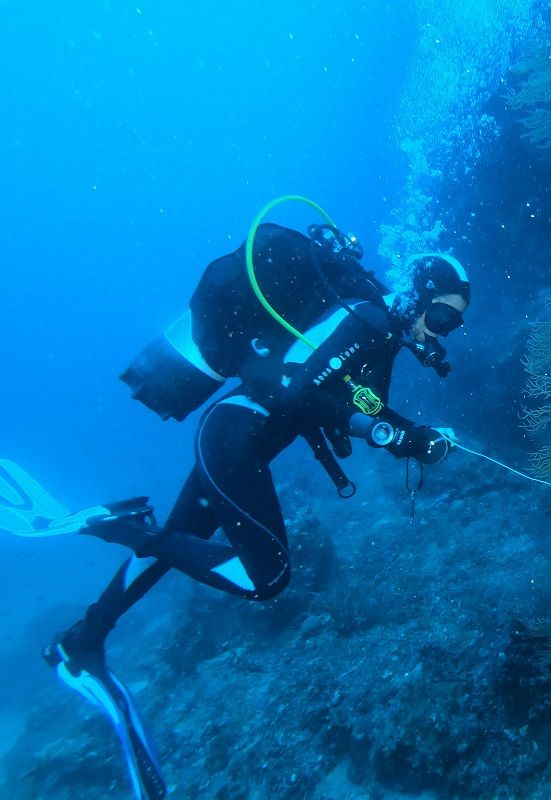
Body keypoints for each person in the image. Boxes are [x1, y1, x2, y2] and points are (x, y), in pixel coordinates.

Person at [40, 219, 470, 800]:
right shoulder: (366, 320)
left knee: (176, 541)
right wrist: (380, 429)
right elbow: (295, 391)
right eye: (440, 315)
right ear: (417, 297)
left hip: (239, 440)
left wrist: (415, 434)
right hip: (235, 436)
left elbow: (361, 405)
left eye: (452, 324)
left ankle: (83, 638)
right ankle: (118, 527)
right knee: (267, 577)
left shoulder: (378, 335)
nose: (441, 331)